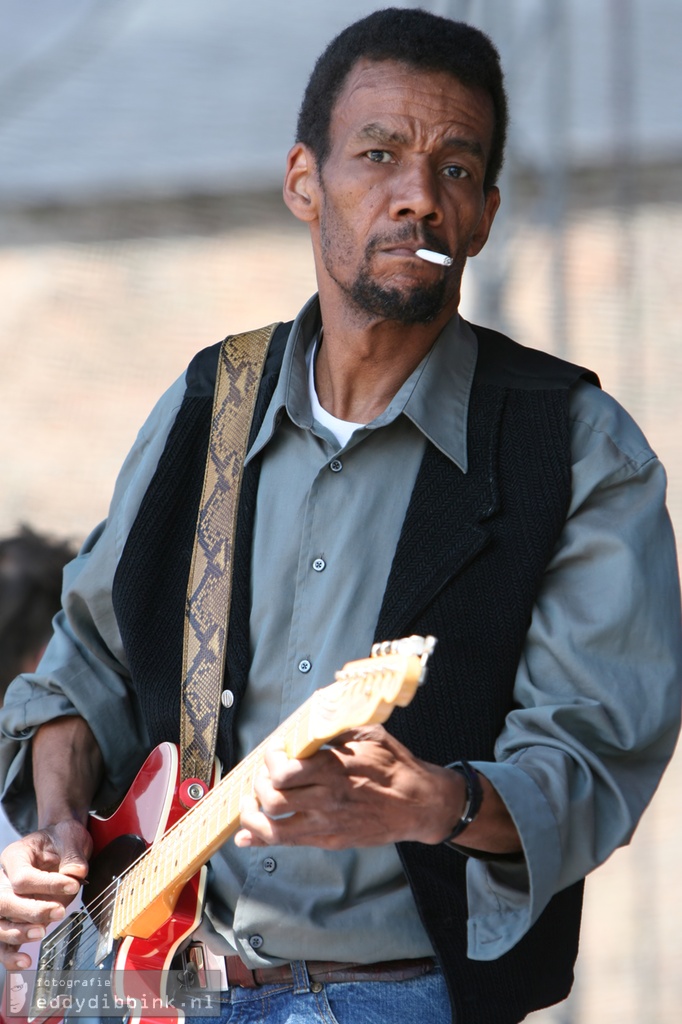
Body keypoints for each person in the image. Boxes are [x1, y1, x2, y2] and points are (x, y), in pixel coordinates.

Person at [0, 9, 680, 1024]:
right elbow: (81, 659)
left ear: (487, 214)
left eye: (457, 169)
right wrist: (51, 828)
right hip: (154, 986)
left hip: (398, 997)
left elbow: (590, 760)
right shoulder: (208, 398)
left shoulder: (575, 443)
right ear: (302, 182)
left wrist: (432, 801)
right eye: (379, 155)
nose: (417, 196)